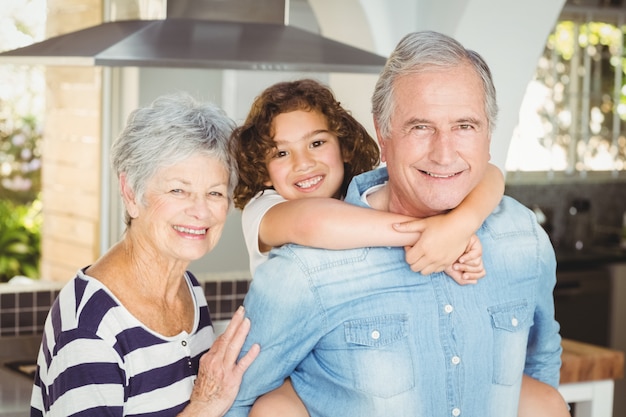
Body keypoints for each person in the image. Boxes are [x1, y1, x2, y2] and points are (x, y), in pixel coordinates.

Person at [225, 31, 566, 417]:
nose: (443, 152)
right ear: (383, 135)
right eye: (420, 126)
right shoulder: (302, 263)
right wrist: (434, 233)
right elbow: (235, 401)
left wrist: (457, 225)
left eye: (465, 126)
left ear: (490, 134)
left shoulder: (523, 238)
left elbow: (540, 362)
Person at [29, 92, 260, 417]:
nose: (200, 211)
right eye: (178, 190)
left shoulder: (189, 291)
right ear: (130, 192)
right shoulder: (90, 329)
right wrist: (204, 407)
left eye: (214, 193)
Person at [232, 78, 504, 283]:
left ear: (345, 147)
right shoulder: (263, 211)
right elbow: (312, 221)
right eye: (281, 153)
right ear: (264, 171)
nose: (302, 163)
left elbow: (490, 174)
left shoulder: (364, 194)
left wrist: (459, 225)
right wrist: (434, 233)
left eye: (316, 143)